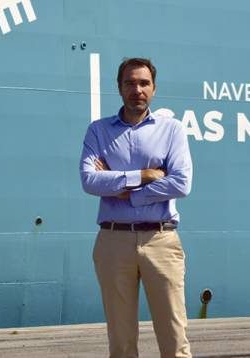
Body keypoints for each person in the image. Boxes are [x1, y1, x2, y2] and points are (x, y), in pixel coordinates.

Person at [80, 57, 193, 358]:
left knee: (174, 338)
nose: (137, 89)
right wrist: (142, 176)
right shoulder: (98, 131)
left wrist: (125, 192)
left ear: (154, 89)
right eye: (130, 83)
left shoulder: (172, 130)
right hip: (113, 242)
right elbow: (90, 180)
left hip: (161, 239)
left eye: (144, 83)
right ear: (119, 88)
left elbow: (181, 184)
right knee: (121, 340)